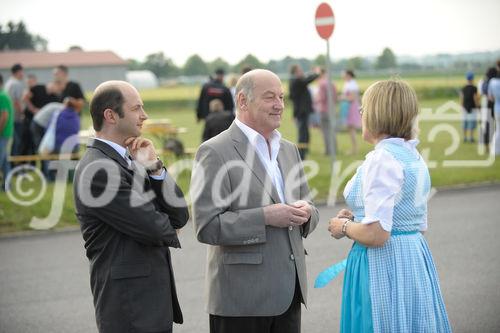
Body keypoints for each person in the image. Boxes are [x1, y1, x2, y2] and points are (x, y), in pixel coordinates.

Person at [191, 69, 319, 333]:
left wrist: (308, 213)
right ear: (242, 101)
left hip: (289, 294)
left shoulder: (289, 149)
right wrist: (265, 217)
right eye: (270, 97)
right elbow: (206, 226)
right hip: (241, 301)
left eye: (282, 97)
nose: (279, 105)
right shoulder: (214, 151)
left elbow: (309, 206)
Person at [327, 80, 451, 332]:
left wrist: (344, 226)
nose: (360, 115)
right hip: (412, 258)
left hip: (382, 264)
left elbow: (377, 234)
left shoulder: (382, 159)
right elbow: (412, 221)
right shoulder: (412, 155)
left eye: (363, 109)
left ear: (375, 114)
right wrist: (359, 215)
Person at [73, 80, 189, 333]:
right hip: (128, 309)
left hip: (148, 304)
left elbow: (179, 214)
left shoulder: (128, 159)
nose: (144, 115)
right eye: (137, 108)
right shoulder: (97, 169)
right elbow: (154, 228)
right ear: (111, 115)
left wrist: (155, 167)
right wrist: (168, 226)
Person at [289, 64, 320, 160]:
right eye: (299, 70)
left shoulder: (297, 80)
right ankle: (301, 155)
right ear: (295, 72)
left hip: (302, 111)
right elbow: (307, 79)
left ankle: (305, 151)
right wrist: (317, 73)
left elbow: (306, 78)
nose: (302, 72)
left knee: (305, 132)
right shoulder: (296, 81)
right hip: (301, 112)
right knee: (302, 133)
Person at [314, 68, 337, 155]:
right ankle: (334, 148)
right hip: (331, 109)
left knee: (325, 131)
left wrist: (315, 100)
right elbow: (335, 97)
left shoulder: (322, 84)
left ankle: (328, 150)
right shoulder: (332, 83)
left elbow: (321, 98)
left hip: (323, 110)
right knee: (332, 130)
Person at [4, 64, 25, 159]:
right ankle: (14, 163)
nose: (23, 74)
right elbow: (16, 101)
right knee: (17, 142)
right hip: (16, 117)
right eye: (22, 71)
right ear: (18, 72)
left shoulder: (8, 83)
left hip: (9, 117)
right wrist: (22, 113)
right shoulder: (16, 83)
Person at [341, 70, 362, 155]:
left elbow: (352, 98)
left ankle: (354, 149)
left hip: (352, 107)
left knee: (352, 129)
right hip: (349, 107)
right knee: (350, 129)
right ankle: (354, 148)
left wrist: (342, 98)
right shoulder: (348, 83)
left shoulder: (352, 85)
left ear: (349, 75)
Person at [0, 74, 14, 191]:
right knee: (4, 162)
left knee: (1, 160)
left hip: (3, 134)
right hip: (5, 133)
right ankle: (7, 186)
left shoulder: (2, 96)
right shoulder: (3, 95)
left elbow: (4, 116)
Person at [460, 71, 479, 143]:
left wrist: (461, 106)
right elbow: (475, 98)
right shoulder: (474, 88)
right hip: (472, 107)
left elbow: (461, 98)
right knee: (472, 123)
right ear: (472, 79)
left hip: (465, 107)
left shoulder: (463, 88)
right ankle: (471, 138)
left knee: (465, 122)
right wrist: (477, 106)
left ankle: (465, 137)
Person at [488, 67, 500, 155]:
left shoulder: (492, 82)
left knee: (498, 130)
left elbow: (490, 97)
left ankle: (494, 150)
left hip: (496, 108)